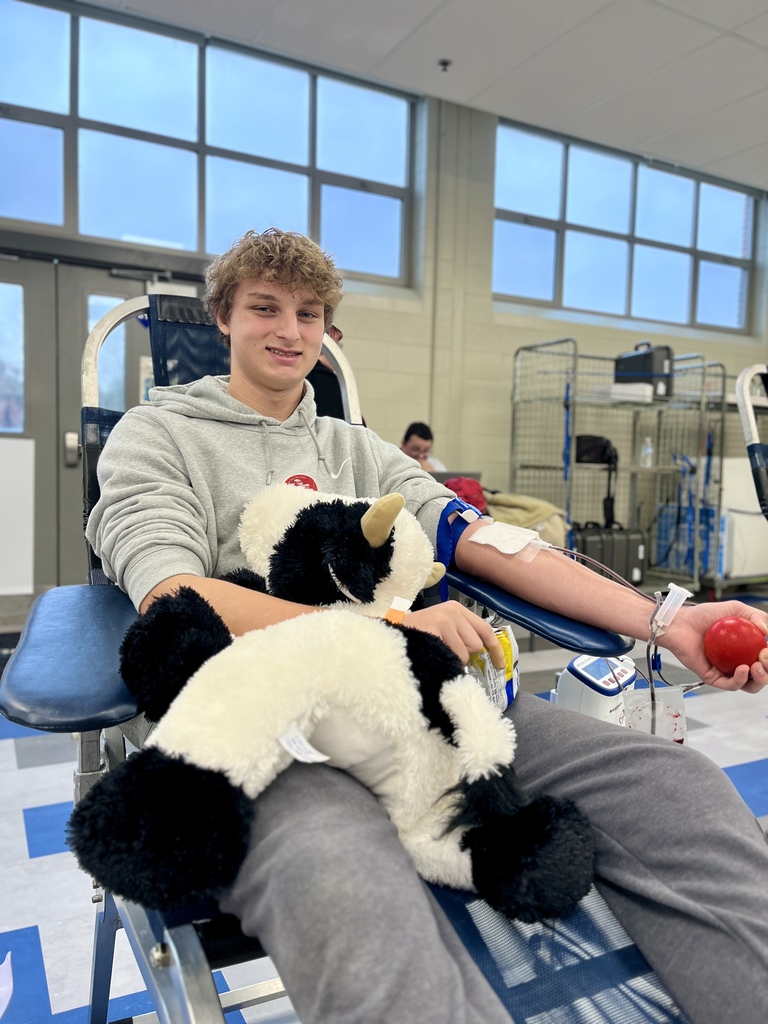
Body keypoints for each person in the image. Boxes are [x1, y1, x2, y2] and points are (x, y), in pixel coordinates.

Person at [86, 227, 768, 1024]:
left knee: (675, 786)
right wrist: (392, 634)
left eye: (309, 313)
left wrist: (668, 619)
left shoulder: (359, 452)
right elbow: (172, 594)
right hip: (267, 737)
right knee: (342, 873)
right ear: (223, 319)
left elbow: (489, 542)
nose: (288, 330)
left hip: (435, 713)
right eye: (264, 308)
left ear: (327, 330)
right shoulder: (157, 437)